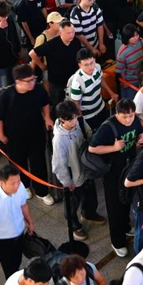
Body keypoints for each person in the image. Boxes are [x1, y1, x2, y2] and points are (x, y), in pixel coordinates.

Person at [88, 99, 143, 257]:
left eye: (131, 116)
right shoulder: (108, 127)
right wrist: (113, 148)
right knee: (114, 207)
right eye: (124, 117)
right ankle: (117, 241)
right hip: (113, 173)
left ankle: (126, 227)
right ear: (116, 114)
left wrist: (140, 139)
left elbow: (139, 130)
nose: (128, 120)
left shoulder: (135, 120)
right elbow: (92, 148)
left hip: (129, 168)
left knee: (126, 200)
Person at [0, 65, 54, 204]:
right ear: (18, 81)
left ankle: (42, 191)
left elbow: (45, 102)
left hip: (36, 133)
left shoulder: (37, 89)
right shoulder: (6, 96)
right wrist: (1, 135)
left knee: (39, 162)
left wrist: (47, 117)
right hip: (15, 137)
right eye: (28, 80)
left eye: (33, 79)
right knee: (18, 163)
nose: (32, 82)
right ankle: (24, 186)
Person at [51, 101, 98, 242]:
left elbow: (89, 134)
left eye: (75, 117)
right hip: (74, 177)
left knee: (90, 195)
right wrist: (67, 182)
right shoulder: (59, 139)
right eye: (70, 119)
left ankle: (89, 213)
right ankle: (75, 226)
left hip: (87, 170)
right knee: (72, 204)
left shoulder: (80, 123)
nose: (74, 121)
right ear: (61, 119)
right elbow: (59, 164)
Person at [0, 164, 35, 280]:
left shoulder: (20, 186)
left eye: (18, 181)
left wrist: (30, 222)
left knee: (18, 260)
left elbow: (23, 205)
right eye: (12, 183)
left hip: (20, 233)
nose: (17, 186)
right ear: (2, 183)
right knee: (9, 269)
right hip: (3, 241)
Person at [30, 19, 83, 107]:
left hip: (73, 80)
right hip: (57, 83)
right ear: (60, 33)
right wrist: (42, 65)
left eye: (72, 32)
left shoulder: (76, 42)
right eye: (68, 33)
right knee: (58, 106)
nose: (71, 35)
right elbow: (32, 53)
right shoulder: (51, 44)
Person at [67, 48, 119, 132]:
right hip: (89, 116)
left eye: (92, 63)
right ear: (80, 65)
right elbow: (75, 103)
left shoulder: (97, 67)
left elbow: (100, 79)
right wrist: (80, 120)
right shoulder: (77, 82)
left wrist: (111, 93)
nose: (90, 67)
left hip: (101, 106)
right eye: (86, 65)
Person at [115, 24, 143, 100]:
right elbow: (121, 70)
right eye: (133, 36)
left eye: (137, 35)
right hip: (131, 82)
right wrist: (125, 82)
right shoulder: (122, 53)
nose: (136, 38)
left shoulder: (141, 42)